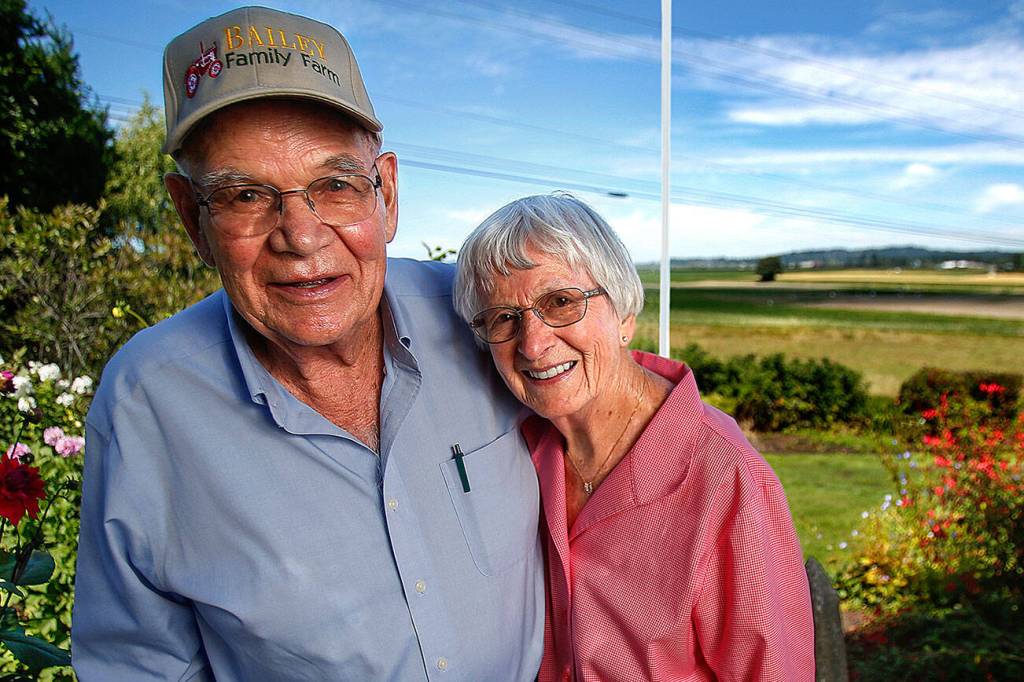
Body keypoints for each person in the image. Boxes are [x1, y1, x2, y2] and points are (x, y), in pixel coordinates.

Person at [72, 7, 544, 680]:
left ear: (386, 192)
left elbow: (628, 424)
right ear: (191, 220)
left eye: (334, 185)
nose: (300, 234)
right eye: (245, 195)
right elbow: (138, 665)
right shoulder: (147, 403)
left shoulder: (484, 313)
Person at [454, 194, 814, 681]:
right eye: (503, 318)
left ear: (624, 314)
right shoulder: (517, 447)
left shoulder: (729, 478)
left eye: (560, 302)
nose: (533, 345)